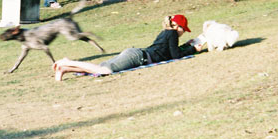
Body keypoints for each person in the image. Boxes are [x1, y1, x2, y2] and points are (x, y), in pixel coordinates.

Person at [53, 14, 203, 81]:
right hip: (137, 57)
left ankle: (65, 69)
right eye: (184, 29)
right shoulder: (172, 34)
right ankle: (68, 61)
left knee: (98, 67)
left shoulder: (167, 33)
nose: (184, 32)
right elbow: (176, 56)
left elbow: (170, 52)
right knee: (104, 71)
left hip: (135, 54)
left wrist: (186, 45)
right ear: (178, 27)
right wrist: (192, 50)